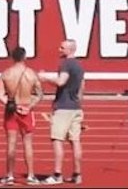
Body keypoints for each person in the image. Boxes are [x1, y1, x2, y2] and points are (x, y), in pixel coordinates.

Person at [0, 46, 43, 185]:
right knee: (28, 143)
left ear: (12, 57)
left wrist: (12, 105)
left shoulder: (6, 74)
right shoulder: (31, 74)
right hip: (26, 110)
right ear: (25, 57)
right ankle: (31, 175)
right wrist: (29, 107)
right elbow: (39, 94)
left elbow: (0, 95)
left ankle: (9, 175)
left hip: (11, 111)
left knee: (11, 143)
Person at [39, 39, 85, 185]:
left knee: (57, 140)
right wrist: (78, 102)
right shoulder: (79, 66)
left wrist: (45, 78)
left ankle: (57, 174)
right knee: (75, 141)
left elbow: (61, 82)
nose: (59, 49)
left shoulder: (66, 64)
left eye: (62, 47)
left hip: (64, 107)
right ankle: (77, 174)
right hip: (75, 107)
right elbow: (82, 87)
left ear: (69, 50)